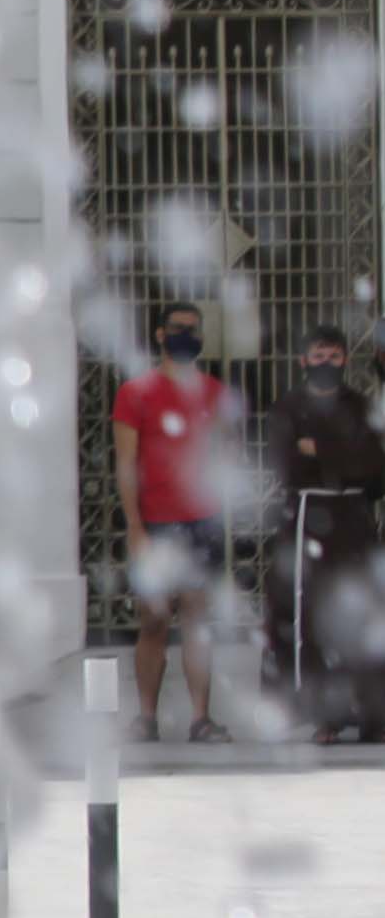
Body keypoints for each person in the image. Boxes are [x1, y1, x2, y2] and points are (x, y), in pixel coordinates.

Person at [112, 297, 243, 741]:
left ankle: (200, 718)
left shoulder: (214, 393)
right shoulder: (136, 393)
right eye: (178, 327)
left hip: (200, 522)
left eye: (194, 328)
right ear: (161, 335)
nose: (186, 334)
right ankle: (145, 718)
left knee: (196, 621)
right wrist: (135, 527)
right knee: (152, 620)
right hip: (155, 525)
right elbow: (126, 463)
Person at [262, 322, 383, 739]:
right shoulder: (287, 408)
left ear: (346, 359)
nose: (326, 363)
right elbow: (286, 465)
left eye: (334, 355)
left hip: (353, 518)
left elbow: (374, 468)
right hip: (307, 521)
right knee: (311, 619)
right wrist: (343, 452)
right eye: (318, 356)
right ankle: (324, 716)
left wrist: (321, 447)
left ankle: (372, 714)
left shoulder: (362, 406)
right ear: (303, 360)